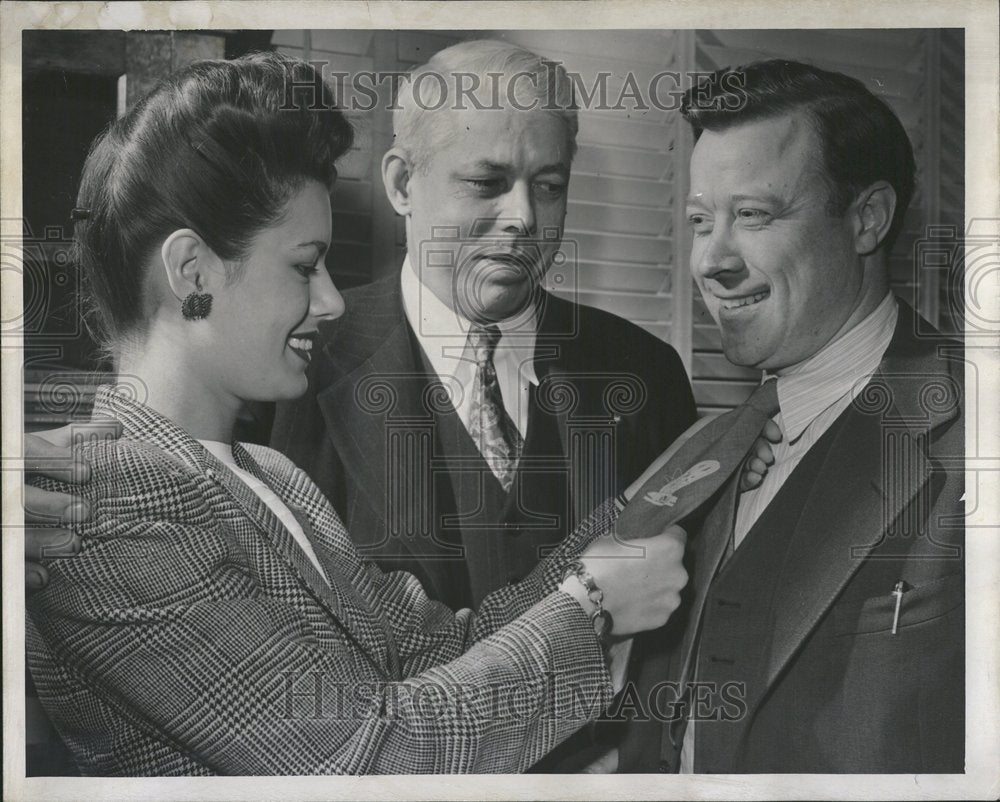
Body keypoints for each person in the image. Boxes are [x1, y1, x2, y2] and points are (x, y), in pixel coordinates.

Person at [23, 52, 691, 776]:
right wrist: (593, 607)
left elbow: (449, 645)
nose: (333, 302)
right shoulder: (107, 505)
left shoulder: (272, 476)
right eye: (305, 267)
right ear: (194, 274)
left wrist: (648, 507)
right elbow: (368, 754)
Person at [612, 60, 964, 773]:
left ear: (867, 220)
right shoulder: (701, 452)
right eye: (701, 221)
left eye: (753, 216)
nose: (712, 260)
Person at [269, 39, 697, 614]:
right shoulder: (294, 363)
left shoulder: (645, 370)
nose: (524, 218)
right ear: (401, 185)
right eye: (486, 183)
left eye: (548, 186)